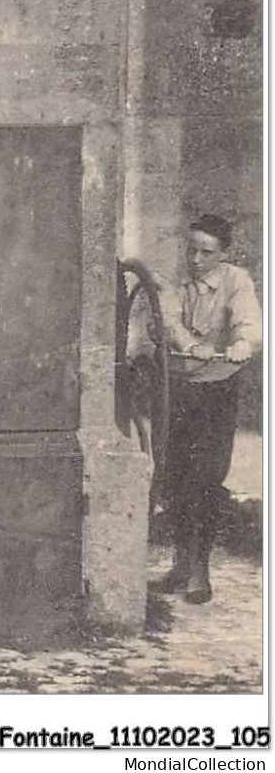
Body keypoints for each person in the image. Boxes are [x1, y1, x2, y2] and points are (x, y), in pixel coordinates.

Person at [154, 214, 263, 605]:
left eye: (207, 252)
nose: (196, 259)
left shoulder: (237, 281)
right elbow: (167, 321)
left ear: (224, 253)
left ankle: (200, 568)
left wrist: (241, 344)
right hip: (179, 388)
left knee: (207, 476)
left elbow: (251, 324)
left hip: (217, 389)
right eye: (192, 249)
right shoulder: (175, 279)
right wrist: (188, 341)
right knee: (173, 474)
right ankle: (180, 563)